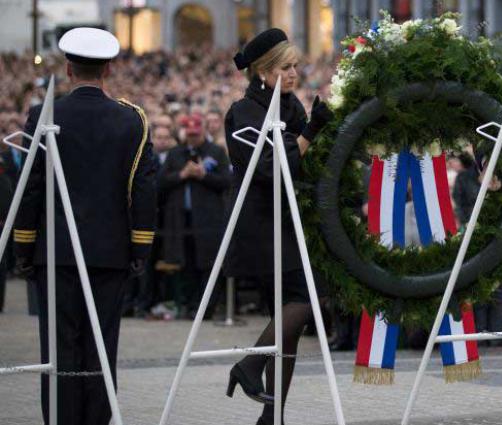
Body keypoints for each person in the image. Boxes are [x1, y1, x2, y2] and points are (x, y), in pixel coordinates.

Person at [13, 27, 156, 425]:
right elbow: (143, 191)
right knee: (101, 344)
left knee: (59, 348)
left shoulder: (44, 115)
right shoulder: (132, 120)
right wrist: (140, 249)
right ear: (108, 68)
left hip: (55, 254)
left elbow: (31, 189)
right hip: (110, 253)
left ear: (68, 68)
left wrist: (24, 247)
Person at [223, 28, 332, 425]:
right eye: (286, 68)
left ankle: (273, 417)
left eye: (296, 67)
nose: (293, 75)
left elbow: (306, 163)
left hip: (288, 221)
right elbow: (272, 169)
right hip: (259, 222)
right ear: (263, 72)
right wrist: (308, 135)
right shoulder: (243, 112)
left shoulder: (290, 106)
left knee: (288, 327)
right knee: (310, 300)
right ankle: (250, 366)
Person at [158, 113, 231, 319]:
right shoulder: (175, 153)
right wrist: (182, 175)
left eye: (196, 135)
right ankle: (189, 305)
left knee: (207, 264)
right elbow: (161, 182)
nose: (192, 138)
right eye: (189, 135)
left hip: (208, 220)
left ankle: (206, 307)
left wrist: (203, 175)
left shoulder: (216, 152)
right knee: (186, 264)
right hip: (181, 219)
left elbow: (226, 181)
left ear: (203, 132)